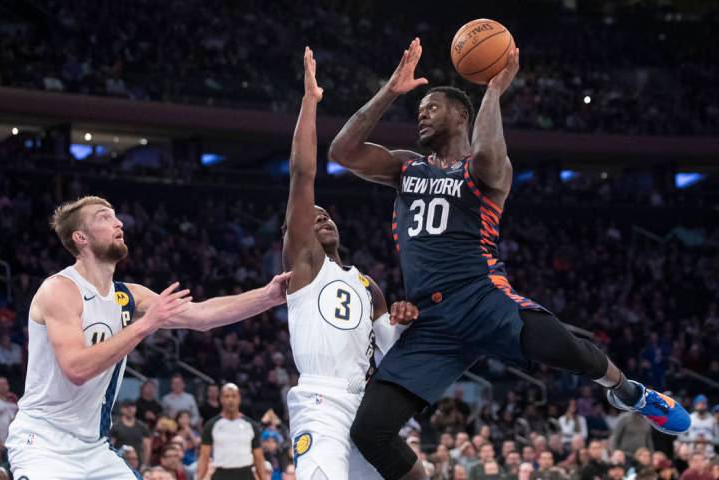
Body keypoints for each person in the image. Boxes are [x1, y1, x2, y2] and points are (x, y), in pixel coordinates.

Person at [329, 37, 691, 480]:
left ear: (462, 114)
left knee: (566, 350)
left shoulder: (488, 171)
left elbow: (484, 154)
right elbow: (341, 152)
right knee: (370, 431)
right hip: (431, 321)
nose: (421, 112)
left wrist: (493, 90)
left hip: (481, 297)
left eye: (432, 106)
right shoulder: (406, 167)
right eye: (419, 107)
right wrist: (390, 91)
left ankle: (628, 392)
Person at [5, 195, 290, 479]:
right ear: (80, 237)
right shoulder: (60, 289)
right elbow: (76, 369)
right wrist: (145, 325)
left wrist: (266, 297)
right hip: (44, 442)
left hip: (94, 448)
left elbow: (201, 317)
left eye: (115, 215)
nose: (118, 222)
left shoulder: (128, 295)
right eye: (104, 217)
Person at [282, 48, 417, 480]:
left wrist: (404, 319)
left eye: (327, 213)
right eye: (313, 215)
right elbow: (303, 174)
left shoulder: (367, 285)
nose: (320, 216)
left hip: (366, 405)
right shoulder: (304, 266)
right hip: (321, 401)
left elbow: (394, 350)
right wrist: (310, 102)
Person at [196, 383, 266, 480]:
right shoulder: (211, 426)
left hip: (245, 474)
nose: (230, 400)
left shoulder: (251, 425)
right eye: (226, 396)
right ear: (221, 399)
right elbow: (204, 457)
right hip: (221, 474)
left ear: (239, 399)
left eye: (234, 396)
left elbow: (259, 458)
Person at [110, 398, 152, 469]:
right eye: (127, 407)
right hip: (120, 463)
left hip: (138, 463)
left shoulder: (142, 426)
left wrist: (145, 464)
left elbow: (147, 447)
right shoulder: (115, 426)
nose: (130, 409)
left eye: (132, 407)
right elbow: (111, 446)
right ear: (121, 409)